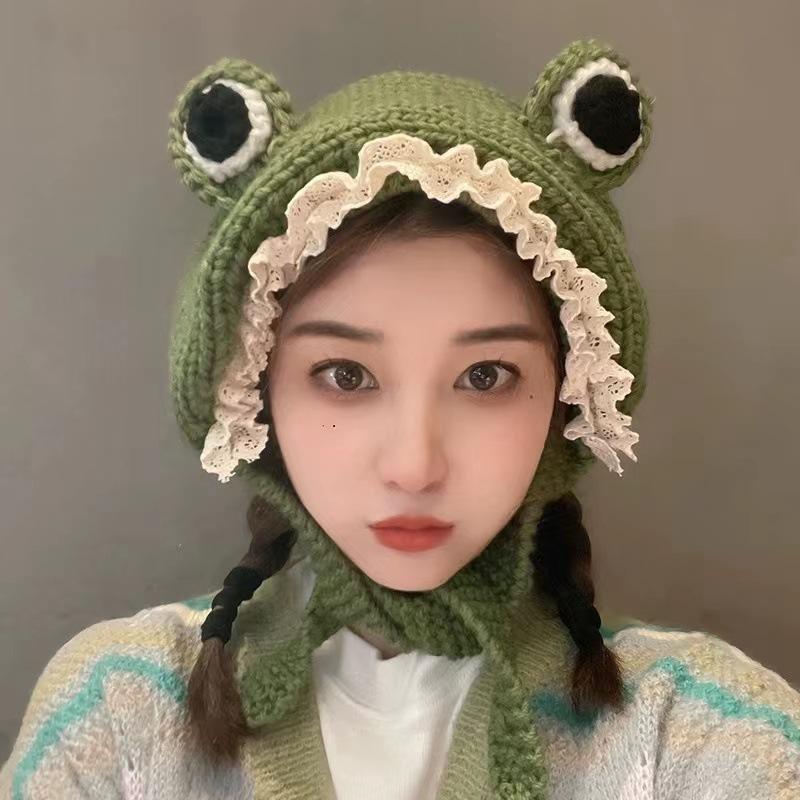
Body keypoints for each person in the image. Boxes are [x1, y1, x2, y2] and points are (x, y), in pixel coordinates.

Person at [2, 37, 798, 800]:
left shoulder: (697, 730)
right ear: (255, 392)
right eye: (344, 375)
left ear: (568, 396)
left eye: (486, 376)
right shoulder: (117, 712)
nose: (414, 467)